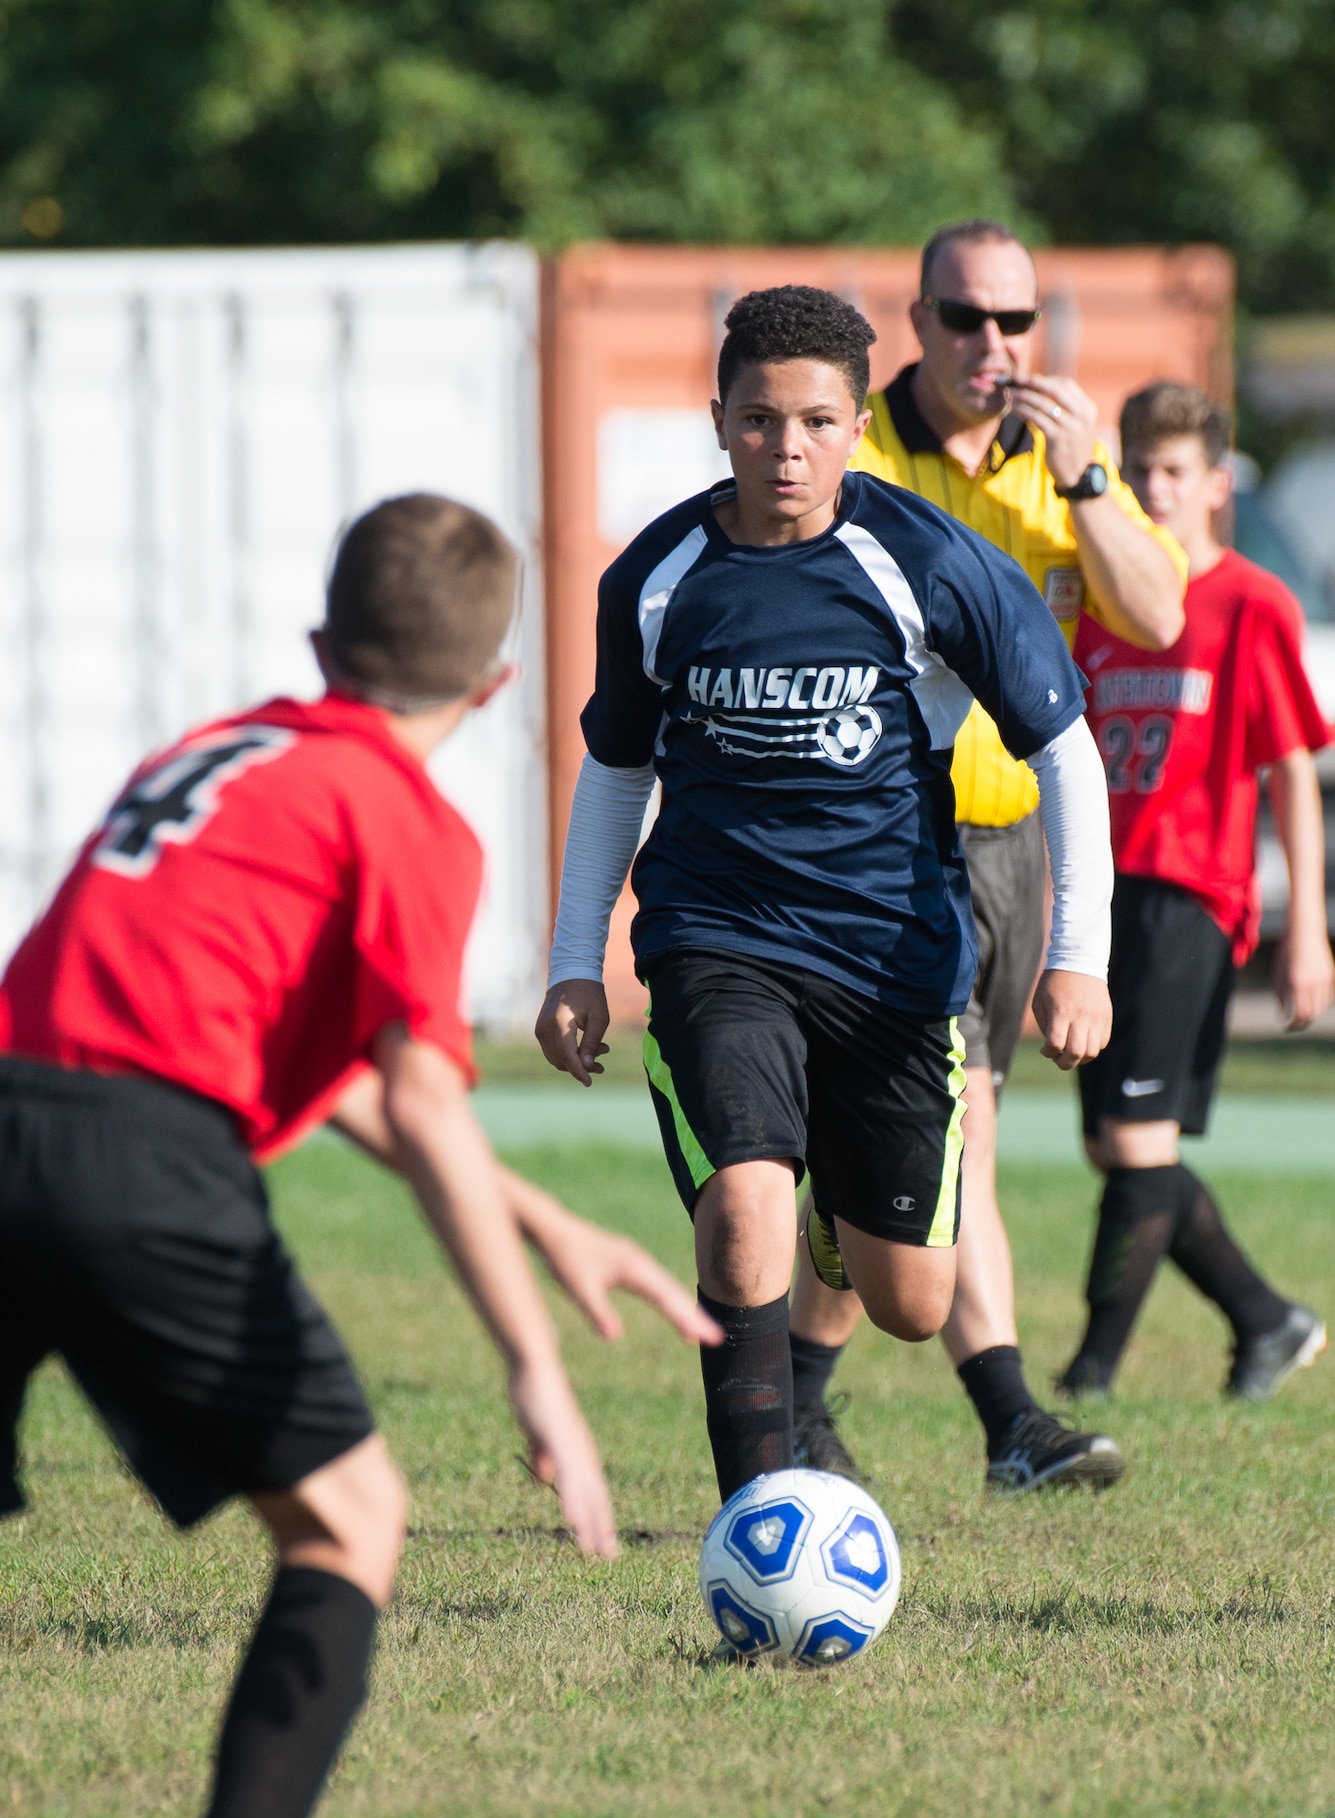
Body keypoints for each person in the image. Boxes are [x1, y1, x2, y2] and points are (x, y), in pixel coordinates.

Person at [0, 494, 719, 1818]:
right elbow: (408, 1089)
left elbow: (308, 1073)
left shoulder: (213, 756)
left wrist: (545, 1223)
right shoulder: (405, 820)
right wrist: (536, 1372)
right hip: (138, 1160)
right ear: (497, 688)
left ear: (323, 645)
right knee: (349, 1526)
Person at [536, 284, 1119, 1513]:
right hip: (716, 940)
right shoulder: (659, 575)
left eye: (812, 421)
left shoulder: (928, 560)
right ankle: (757, 1526)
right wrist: (575, 960)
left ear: (858, 424)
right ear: (717, 420)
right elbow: (614, 769)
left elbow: (1063, 746)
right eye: (757, 421)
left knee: (910, 1298)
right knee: (745, 1202)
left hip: (894, 962)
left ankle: (835, 1214)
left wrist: (1080, 953)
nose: (784, 449)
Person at [783, 218, 1188, 1490]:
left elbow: (1158, 610)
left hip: (1013, 839)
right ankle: (1005, 1414)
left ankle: (813, 1399)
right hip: (879, 844)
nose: (995, 346)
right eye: (968, 318)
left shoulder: (1063, 459)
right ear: (919, 322)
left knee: (961, 1132)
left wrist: (1083, 484)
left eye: (1018, 322)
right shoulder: (864, 446)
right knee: (948, 1133)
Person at [1055, 382, 1334, 1399]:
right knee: (1114, 1142)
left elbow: (1294, 765)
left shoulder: (1251, 600)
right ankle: (1267, 1316)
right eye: (1139, 470)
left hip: (1192, 889)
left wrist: (1307, 930)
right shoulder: (1098, 588)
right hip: (1105, 890)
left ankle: (1088, 1375)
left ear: (1217, 483)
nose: (1155, 489)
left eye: (1175, 472)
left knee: (1137, 1136)